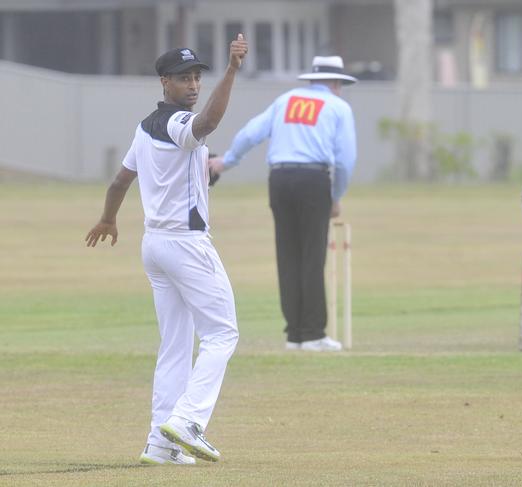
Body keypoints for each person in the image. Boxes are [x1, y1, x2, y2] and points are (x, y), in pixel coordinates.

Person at [85, 36, 248, 464]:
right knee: (222, 334)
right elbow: (205, 126)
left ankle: (160, 443)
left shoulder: (144, 127)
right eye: (183, 79)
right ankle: (190, 421)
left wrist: (108, 218)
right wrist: (232, 71)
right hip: (186, 243)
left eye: (197, 77)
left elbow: (121, 181)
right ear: (164, 82)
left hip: (154, 245)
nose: (193, 85)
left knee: (175, 345)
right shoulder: (178, 123)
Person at [211, 56, 357, 352]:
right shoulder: (339, 107)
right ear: (336, 83)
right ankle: (314, 334)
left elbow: (251, 133)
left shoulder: (286, 100)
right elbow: (345, 160)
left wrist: (227, 162)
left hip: (279, 179)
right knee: (312, 256)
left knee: (288, 255)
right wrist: (336, 197)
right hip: (314, 179)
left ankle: (294, 335)